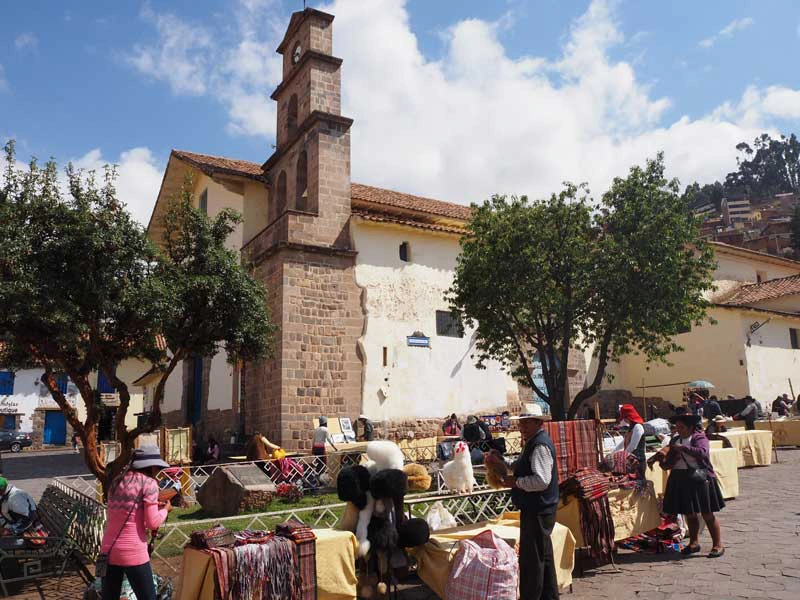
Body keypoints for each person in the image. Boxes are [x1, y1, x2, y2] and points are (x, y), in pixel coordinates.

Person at [100, 445, 172, 600]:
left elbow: (122, 513)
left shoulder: (116, 482)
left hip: (109, 550)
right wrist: (165, 509)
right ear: (152, 465)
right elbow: (152, 522)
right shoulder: (149, 483)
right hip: (133, 551)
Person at [502, 404, 559, 599]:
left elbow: (542, 481)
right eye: (521, 423)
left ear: (538, 423)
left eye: (526, 423)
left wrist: (515, 482)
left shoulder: (540, 445)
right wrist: (501, 463)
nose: (522, 427)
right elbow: (521, 465)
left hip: (538, 509)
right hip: (538, 508)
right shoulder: (533, 442)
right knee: (544, 557)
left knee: (532, 561)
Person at [648, 413, 725, 558]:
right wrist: (662, 460)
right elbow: (670, 457)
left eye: (682, 427)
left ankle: (718, 544)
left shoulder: (699, 438)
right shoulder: (676, 439)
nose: (679, 430)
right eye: (677, 427)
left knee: (707, 513)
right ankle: (694, 543)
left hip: (699, 479)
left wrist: (683, 448)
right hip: (680, 478)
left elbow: (702, 453)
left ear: (690, 427)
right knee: (689, 513)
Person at [614, 404, 647, 478]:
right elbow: (623, 443)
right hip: (630, 462)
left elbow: (633, 446)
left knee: (639, 485)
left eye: (624, 418)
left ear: (629, 417)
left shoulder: (638, 427)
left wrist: (622, 457)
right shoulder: (630, 429)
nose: (624, 420)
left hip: (638, 462)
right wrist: (613, 452)